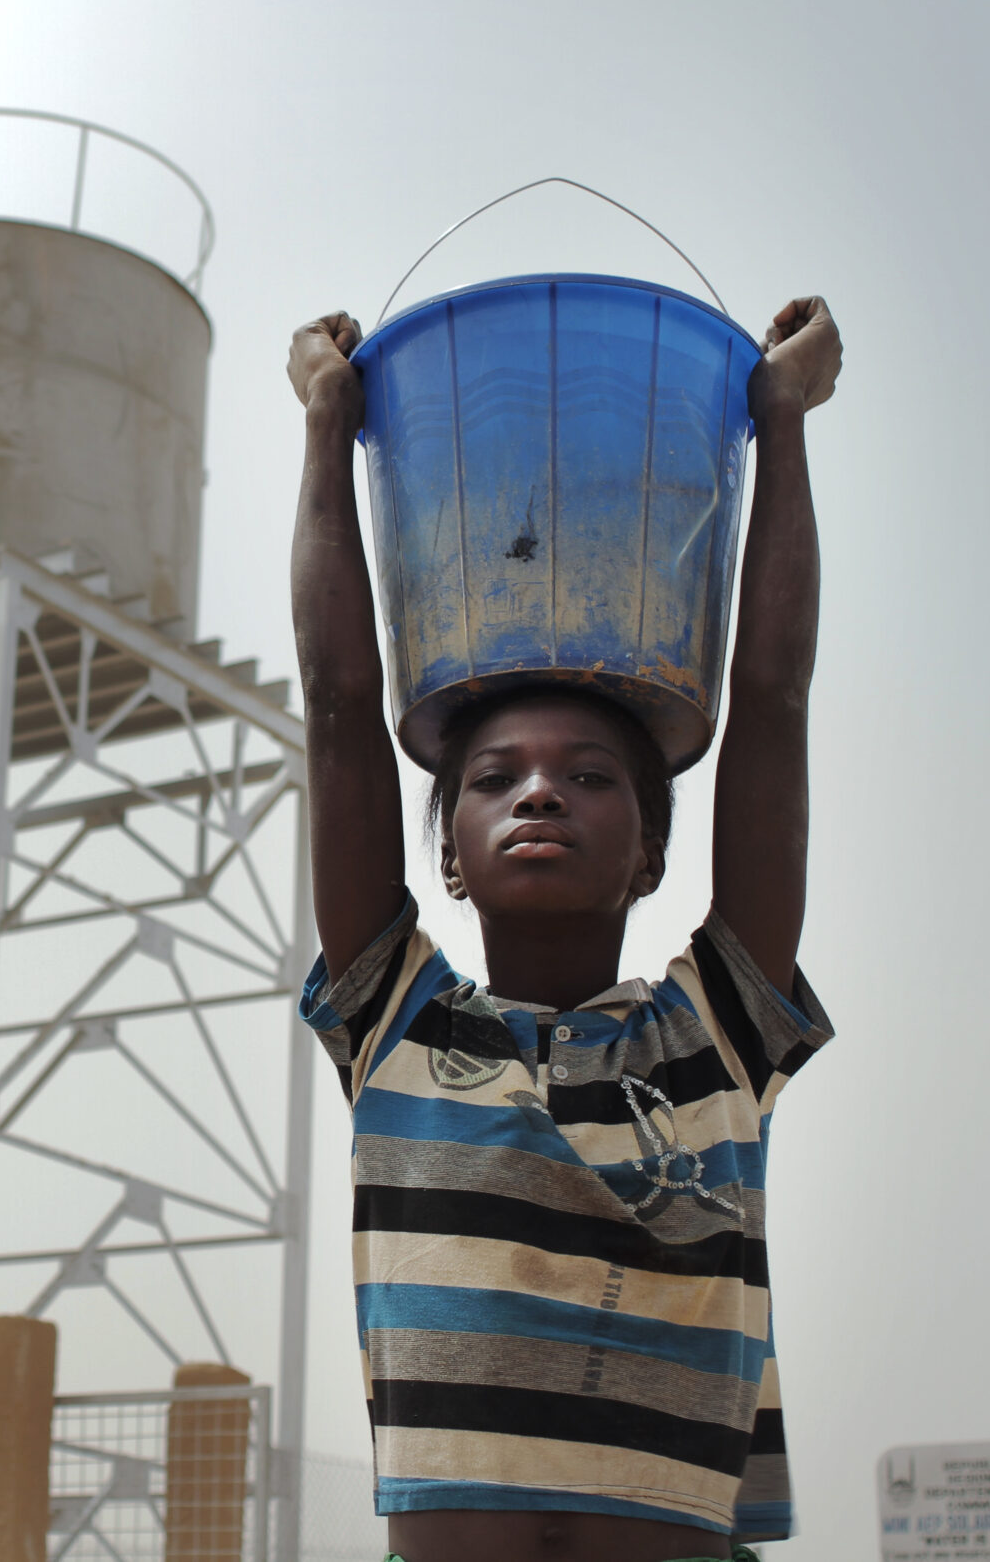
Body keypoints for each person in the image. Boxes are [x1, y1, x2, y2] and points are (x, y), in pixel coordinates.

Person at [286, 295, 843, 1562]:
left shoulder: (717, 1027)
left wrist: (784, 428)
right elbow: (334, 702)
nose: (539, 791)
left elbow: (771, 698)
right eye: (494, 779)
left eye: (590, 776)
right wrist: (327, 432)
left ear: (652, 851)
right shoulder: (396, 1023)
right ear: (450, 857)